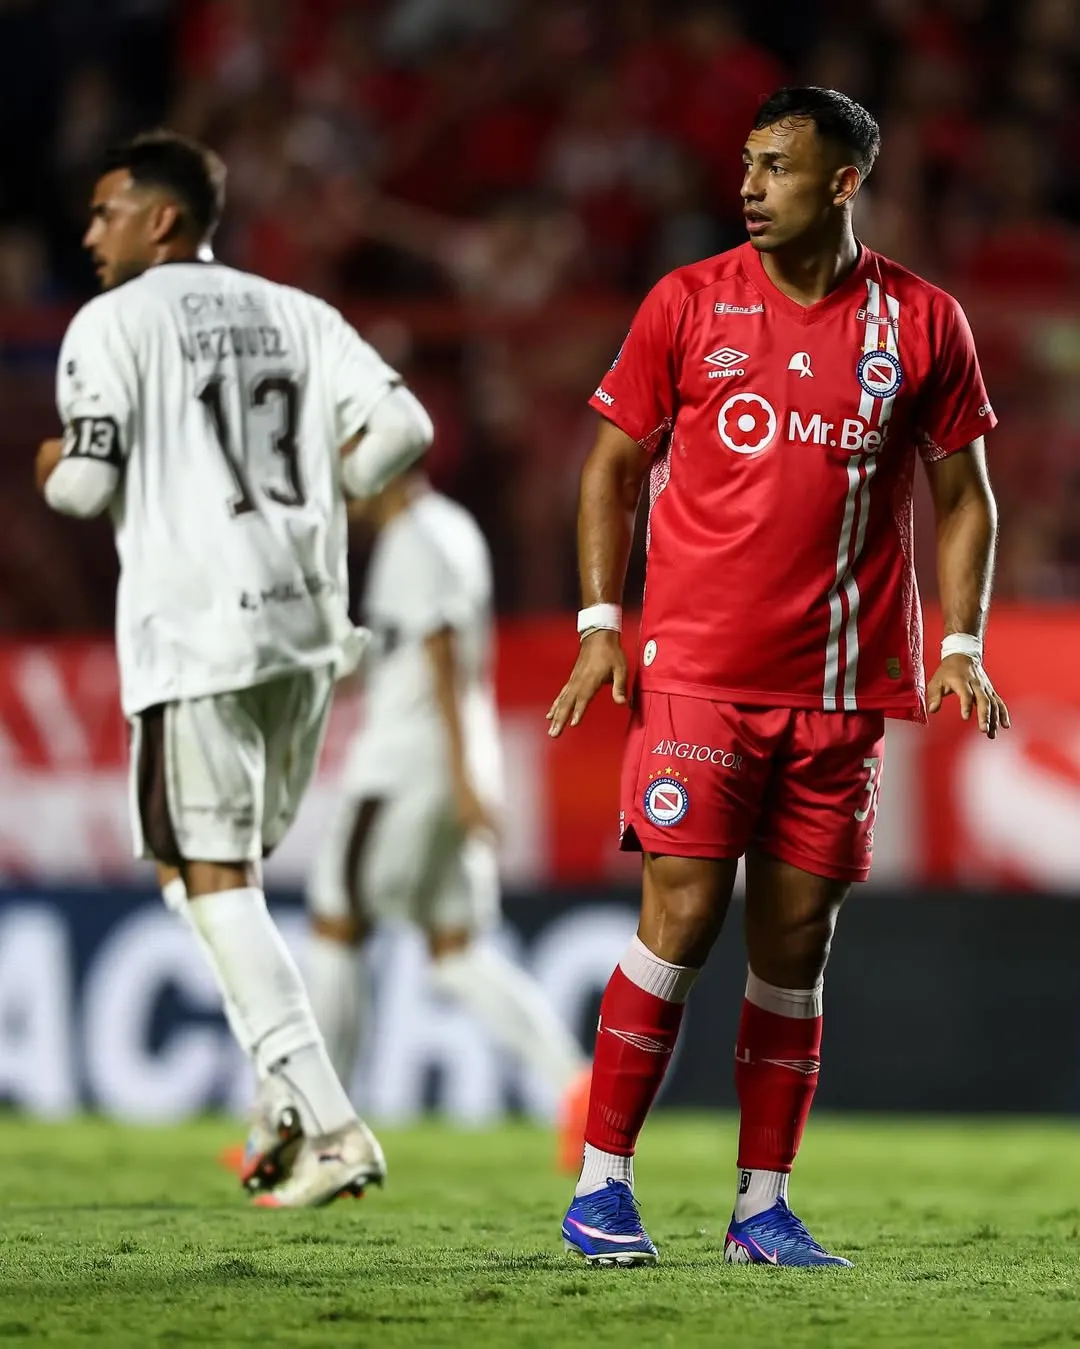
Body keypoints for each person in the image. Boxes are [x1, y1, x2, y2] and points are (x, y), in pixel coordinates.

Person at [547, 87, 1010, 1268]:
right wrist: (603, 619)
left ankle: (761, 1207)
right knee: (685, 912)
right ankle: (603, 1185)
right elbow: (608, 463)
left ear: (844, 183)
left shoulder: (921, 321)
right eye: (747, 163)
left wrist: (961, 643)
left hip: (845, 687)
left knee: (795, 947)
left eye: (778, 168)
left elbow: (965, 497)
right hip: (699, 668)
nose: (749, 186)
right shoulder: (687, 304)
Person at [35, 130, 436, 1208]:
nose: (89, 232)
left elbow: (81, 488)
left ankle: (332, 1123)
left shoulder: (110, 322)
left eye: (106, 210)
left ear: (161, 219)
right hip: (307, 633)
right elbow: (403, 427)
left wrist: (50, 460)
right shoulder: (299, 312)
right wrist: (322, 493)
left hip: (198, 631)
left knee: (210, 881)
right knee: (207, 876)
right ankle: (278, 1100)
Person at [302, 468, 590, 1166]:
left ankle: (318, 1130)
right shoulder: (453, 529)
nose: (346, 487)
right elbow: (418, 651)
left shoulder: (414, 540)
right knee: (455, 950)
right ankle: (578, 1086)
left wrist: (459, 776)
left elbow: (439, 655)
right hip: (450, 759)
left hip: (404, 768)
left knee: (336, 920)